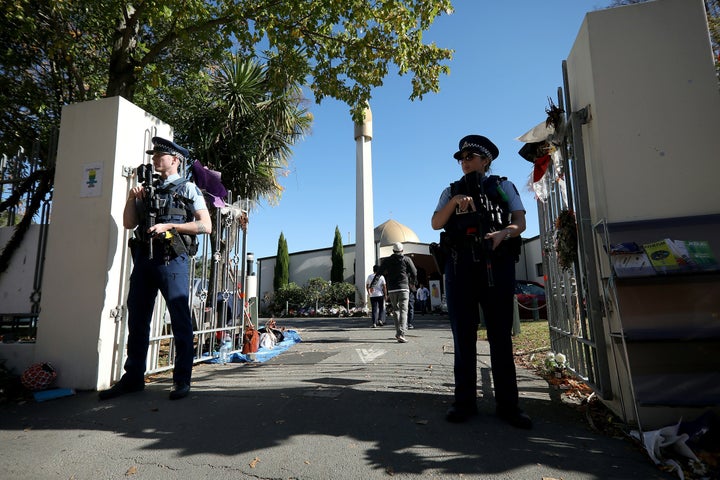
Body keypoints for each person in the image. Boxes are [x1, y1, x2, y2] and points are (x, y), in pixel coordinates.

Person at [99, 137, 212, 401]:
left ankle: (182, 379)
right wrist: (131, 199)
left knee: (180, 320)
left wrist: (170, 227)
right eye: (153, 154)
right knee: (137, 320)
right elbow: (129, 223)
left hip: (173, 260)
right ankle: (133, 378)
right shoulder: (146, 189)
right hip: (144, 259)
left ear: (175, 160)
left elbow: (206, 225)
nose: (154, 158)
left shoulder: (188, 189)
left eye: (159, 154)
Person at [431, 134, 531, 429]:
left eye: (470, 157)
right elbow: (436, 222)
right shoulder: (450, 191)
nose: (464, 162)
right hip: (460, 266)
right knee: (463, 336)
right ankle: (464, 402)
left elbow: (520, 222)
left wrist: (504, 234)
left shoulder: (503, 186)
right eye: (461, 158)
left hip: (496, 264)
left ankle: (508, 405)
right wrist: (455, 204)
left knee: (500, 335)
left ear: (485, 160)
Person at [379, 242, 417, 343]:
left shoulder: (387, 260)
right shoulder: (407, 259)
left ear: (393, 251)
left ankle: (398, 332)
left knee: (396, 310)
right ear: (402, 250)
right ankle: (401, 333)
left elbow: (379, 272)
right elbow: (414, 272)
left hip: (392, 289)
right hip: (404, 288)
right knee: (404, 310)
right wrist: (413, 283)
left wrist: (373, 284)